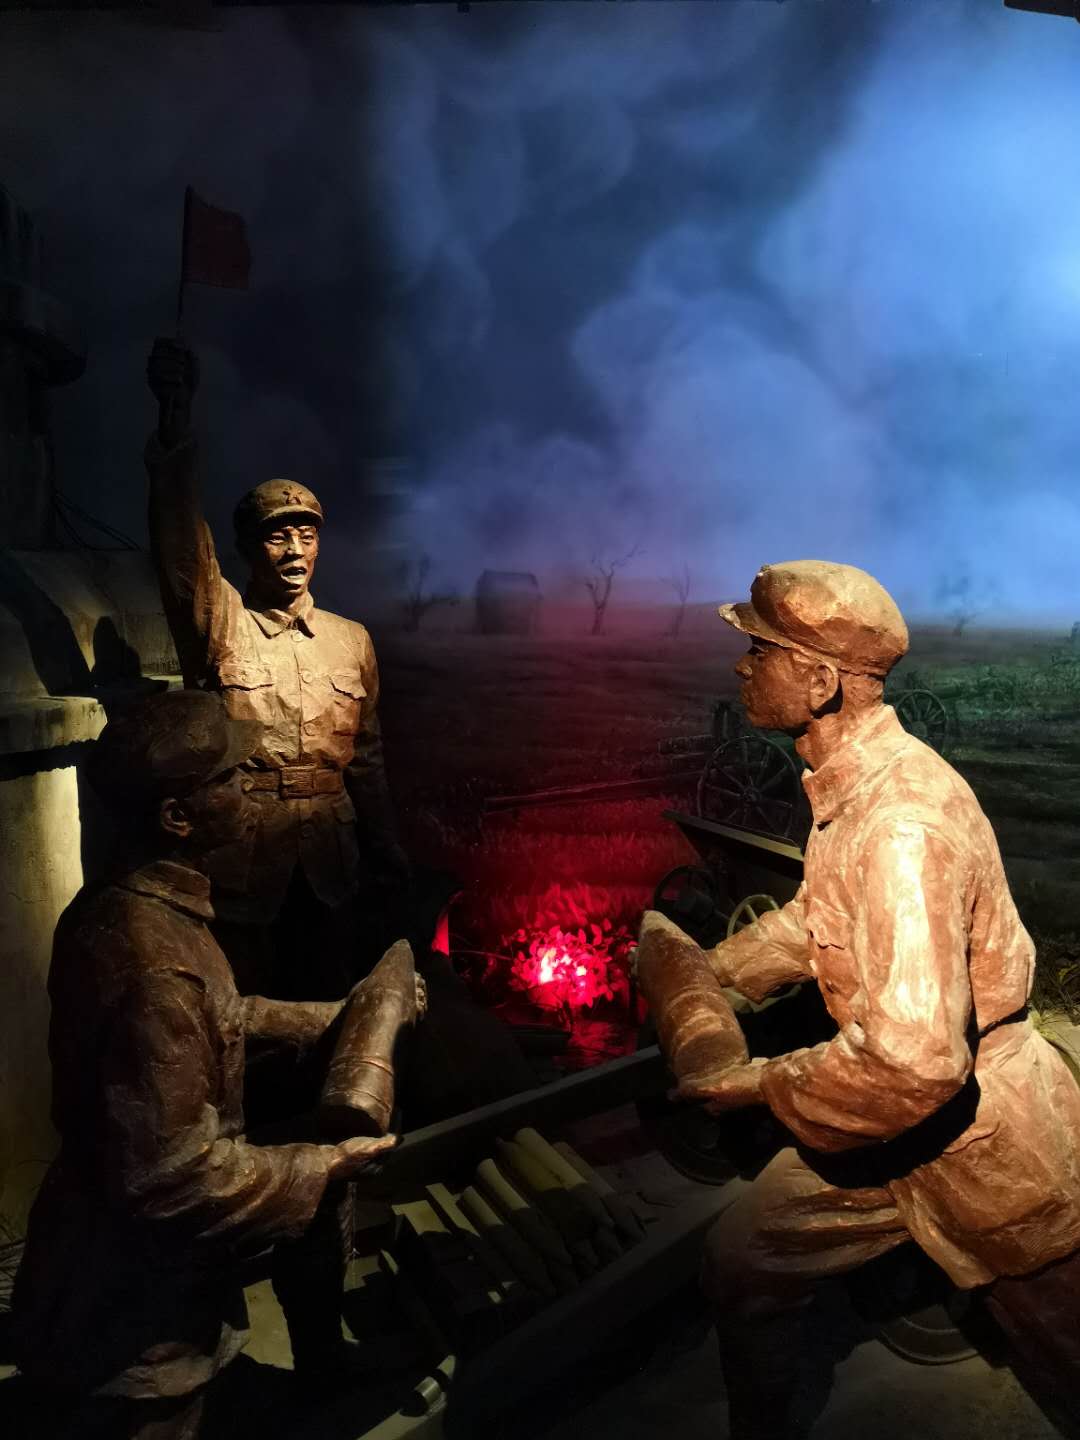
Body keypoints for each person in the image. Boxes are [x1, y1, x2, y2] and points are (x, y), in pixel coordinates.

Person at [644, 560, 1080, 1439]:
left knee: (1062, 1349)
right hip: (886, 1119)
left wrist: (759, 1083)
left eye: (760, 650)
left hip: (979, 1132)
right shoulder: (851, 783)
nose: (740, 666)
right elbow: (821, 915)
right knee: (745, 1259)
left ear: (818, 681)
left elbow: (915, 1061)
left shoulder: (900, 824)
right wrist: (718, 970)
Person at [11, 691, 398, 1439]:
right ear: (177, 817)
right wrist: (318, 1165)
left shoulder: (133, 907)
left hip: (113, 1225)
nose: (251, 782)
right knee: (316, 1187)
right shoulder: (155, 968)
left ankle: (322, 1374)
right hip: (135, 1308)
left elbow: (219, 1015)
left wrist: (329, 1017)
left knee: (316, 1201)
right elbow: (173, 1178)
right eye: (229, 777)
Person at [144, 338, 410, 1000]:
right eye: (277, 535)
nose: (295, 549)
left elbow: (368, 760)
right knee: (242, 1008)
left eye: (307, 535)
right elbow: (183, 556)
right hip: (244, 861)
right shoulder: (225, 625)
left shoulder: (351, 641)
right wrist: (175, 434)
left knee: (330, 1000)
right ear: (247, 548)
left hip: (332, 863)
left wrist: (388, 852)